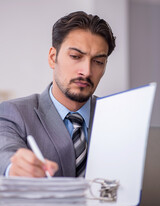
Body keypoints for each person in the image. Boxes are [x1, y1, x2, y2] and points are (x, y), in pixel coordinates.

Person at [0, 11, 115, 178]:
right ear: (53, 58)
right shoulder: (13, 113)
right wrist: (14, 166)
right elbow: (4, 151)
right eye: (76, 56)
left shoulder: (117, 116)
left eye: (98, 62)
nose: (87, 71)